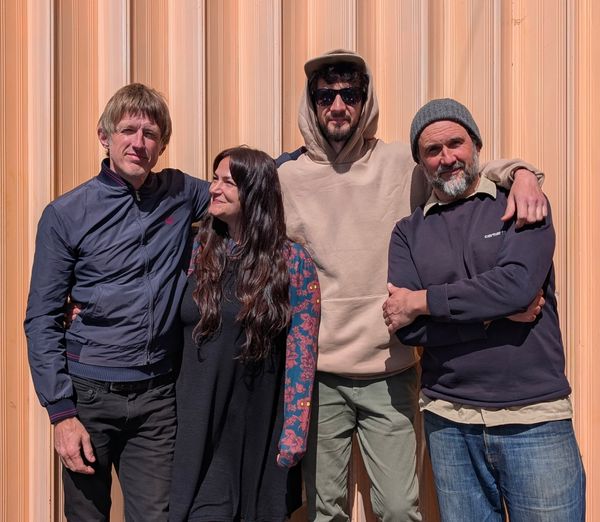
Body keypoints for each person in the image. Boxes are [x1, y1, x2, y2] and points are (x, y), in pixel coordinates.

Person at [276, 49, 548, 521]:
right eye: (325, 96)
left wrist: (522, 174)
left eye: (350, 95)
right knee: (323, 509)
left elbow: (460, 169)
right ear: (311, 103)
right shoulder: (287, 177)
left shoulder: (400, 162)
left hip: (391, 366)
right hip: (319, 374)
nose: (337, 106)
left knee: (400, 508)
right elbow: (231, 199)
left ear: (365, 100)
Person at [385, 98, 586, 522]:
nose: (446, 158)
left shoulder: (520, 203)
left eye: (455, 143)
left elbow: (516, 287)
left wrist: (424, 302)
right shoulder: (408, 232)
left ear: (476, 144)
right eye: (432, 150)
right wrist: (492, 317)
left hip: (533, 416)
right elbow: (408, 330)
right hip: (449, 420)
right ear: (421, 163)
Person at [24, 83, 211, 521]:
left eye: (150, 134)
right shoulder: (66, 214)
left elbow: (243, 186)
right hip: (88, 397)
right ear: (104, 136)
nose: (138, 143)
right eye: (128, 130)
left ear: (162, 144)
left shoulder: (181, 193)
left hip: (157, 398)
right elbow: (42, 318)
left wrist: (296, 163)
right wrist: (62, 414)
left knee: (157, 516)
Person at [168, 147, 319, 521]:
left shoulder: (292, 262)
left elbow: (302, 351)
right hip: (195, 418)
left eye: (227, 182)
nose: (214, 189)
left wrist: (294, 431)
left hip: (254, 422)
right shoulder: (197, 250)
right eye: (214, 179)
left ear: (254, 193)